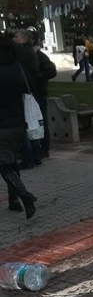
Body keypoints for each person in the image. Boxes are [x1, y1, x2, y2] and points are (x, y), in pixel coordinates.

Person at [0, 31, 37, 218]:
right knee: (11, 161)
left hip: (2, 126)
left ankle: (25, 196)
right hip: (18, 123)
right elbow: (28, 86)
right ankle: (13, 201)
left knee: (3, 165)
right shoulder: (17, 67)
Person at [15, 27, 56, 160]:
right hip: (29, 93)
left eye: (18, 38)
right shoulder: (22, 55)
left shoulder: (39, 56)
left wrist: (37, 77)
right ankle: (34, 148)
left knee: (41, 120)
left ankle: (44, 147)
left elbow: (51, 72)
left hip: (38, 93)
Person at [14, 28, 43, 168]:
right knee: (31, 123)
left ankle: (29, 157)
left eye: (17, 37)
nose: (14, 39)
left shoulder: (21, 53)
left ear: (24, 39)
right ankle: (36, 155)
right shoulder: (30, 52)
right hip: (31, 91)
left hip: (25, 92)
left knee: (26, 125)